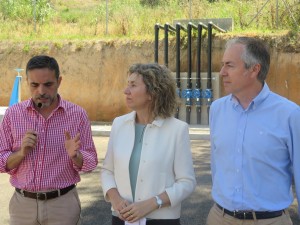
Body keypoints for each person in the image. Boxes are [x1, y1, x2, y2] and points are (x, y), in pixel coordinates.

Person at [207, 37, 300, 225]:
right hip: (219, 218)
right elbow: (217, 165)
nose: (222, 72)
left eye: (230, 65)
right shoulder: (217, 109)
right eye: (222, 65)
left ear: (254, 69)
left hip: (270, 221)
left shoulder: (289, 114)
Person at [0, 55, 98, 225]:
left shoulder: (77, 115)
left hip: (62, 205)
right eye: (34, 85)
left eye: (48, 84)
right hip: (23, 206)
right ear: (27, 82)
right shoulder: (13, 114)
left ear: (59, 82)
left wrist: (75, 156)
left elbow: (91, 162)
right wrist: (21, 153)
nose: (41, 91)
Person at [101, 63, 196, 225]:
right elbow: (107, 171)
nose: (126, 91)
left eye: (133, 85)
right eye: (127, 85)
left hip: (161, 221)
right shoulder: (119, 124)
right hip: (121, 218)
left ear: (152, 92)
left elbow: (187, 182)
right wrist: (115, 200)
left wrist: (152, 203)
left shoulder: (177, 130)